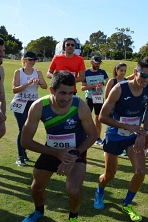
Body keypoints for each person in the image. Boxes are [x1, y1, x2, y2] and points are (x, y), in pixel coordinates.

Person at [20, 71, 98, 222]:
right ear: (52, 90)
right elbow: (25, 141)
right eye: (62, 93)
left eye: (71, 93)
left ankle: (73, 218)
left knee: (74, 190)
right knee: (36, 187)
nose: (67, 98)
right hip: (52, 150)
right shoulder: (39, 106)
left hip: (76, 150)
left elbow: (93, 135)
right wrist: (58, 153)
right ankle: (38, 212)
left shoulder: (79, 105)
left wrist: (74, 154)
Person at [94, 58, 148, 222]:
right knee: (110, 174)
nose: (146, 79)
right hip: (115, 135)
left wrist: (143, 133)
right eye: (143, 75)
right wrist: (127, 126)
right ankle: (100, 190)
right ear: (135, 72)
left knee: (141, 171)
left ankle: (127, 203)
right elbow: (102, 117)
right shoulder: (119, 88)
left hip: (134, 136)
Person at [11, 51, 48, 166]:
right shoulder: (18, 72)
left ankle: (24, 152)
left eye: (34, 60)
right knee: (22, 129)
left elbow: (45, 86)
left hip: (33, 103)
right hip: (20, 102)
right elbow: (14, 89)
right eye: (30, 59)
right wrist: (28, 83)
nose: (32, 62)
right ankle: (20, 156)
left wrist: (39, 82)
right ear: (24, 60)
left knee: (29, 130)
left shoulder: (37, 72)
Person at [81, 56, 108, 146]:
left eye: (99, 63)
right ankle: (85, 136)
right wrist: (93, 86)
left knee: (98, 118)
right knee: (86, 118)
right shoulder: (86, 73)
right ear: (91, 62)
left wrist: (102, 84)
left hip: (99, 97)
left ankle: (98, 137)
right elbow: (82, 87)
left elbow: (108, 82)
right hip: (89, 97)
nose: (98, 65)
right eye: (96, 63)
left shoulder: (102, 72)